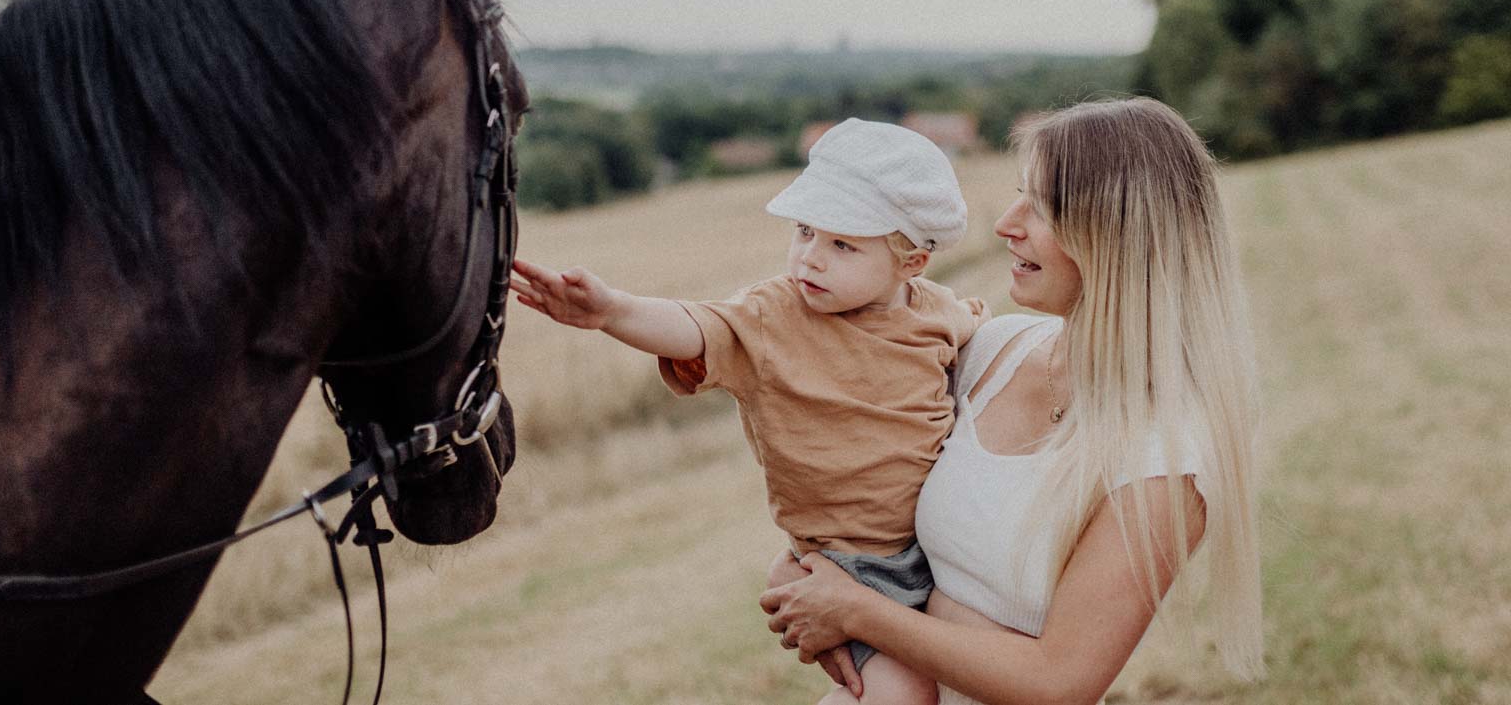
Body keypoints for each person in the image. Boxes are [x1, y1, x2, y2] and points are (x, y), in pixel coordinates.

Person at [761, 97, 1264, 705]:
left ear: (1119, 238)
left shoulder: (1165, 455)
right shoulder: (991, 351)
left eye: (1042, 208)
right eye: (1017, 194)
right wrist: (811, 565)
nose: (1006, 222)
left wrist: (855, 612)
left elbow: (1058, 681)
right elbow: (866, 469)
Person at [511, 119, 990, 705]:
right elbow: (694, 327)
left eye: (842, 245)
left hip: (940, 550)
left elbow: (977, 335)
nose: (810, 258)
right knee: (900, 694)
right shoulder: (774, 317)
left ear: (912, 263)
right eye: (805, 231)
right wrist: (612, 311)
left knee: (967, 680)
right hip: (848, 566)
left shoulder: (937, 311)